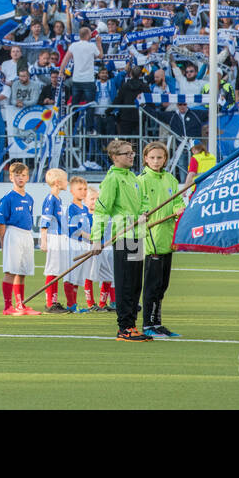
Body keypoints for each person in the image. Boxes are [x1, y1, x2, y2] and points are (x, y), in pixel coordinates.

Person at [89, 139, 150, 342]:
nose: (132, 156)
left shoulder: (133, 177)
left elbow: (142, 202)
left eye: (132, 152)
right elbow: (101, 210)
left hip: (137, 235)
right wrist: (96, 239)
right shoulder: (112, 179)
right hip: (123, 236)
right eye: (126, 153)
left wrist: (144, 213)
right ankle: (124, 327)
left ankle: (132, 324)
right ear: (115, 157)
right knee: (125, 284)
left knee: (135, 284)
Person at [139, 141, 182, 339]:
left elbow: (177, 202)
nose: (156, 161)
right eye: (152, 158)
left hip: (167, 237)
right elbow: (139, 205)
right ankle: (148, 323)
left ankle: (157, 322)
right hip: (151, 238)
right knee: (152, 285)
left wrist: (178, 210)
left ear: (165, 159)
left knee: (163, 286)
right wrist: (143, 214)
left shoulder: (171, 179)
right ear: (145, 159)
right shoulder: (141, 181)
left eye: (160, 157)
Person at [0, 163, 39, 316]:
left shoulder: (29, 198)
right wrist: (3, 241)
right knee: (11, 270)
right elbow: (1, 222)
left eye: (23, 175)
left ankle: (20, 305)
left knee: (22, 271)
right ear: (11, 177)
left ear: (27, 177)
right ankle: (8, 306)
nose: (20, 178)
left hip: (27, 234)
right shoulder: (7, 198)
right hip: (13, 234)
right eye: (17, 175)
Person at [38, 169, 70, 313]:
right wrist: (43, 240)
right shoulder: (50, 199)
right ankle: (50, 302)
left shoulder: (58, 199)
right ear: (58, 182)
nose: (67, 182)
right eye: (65, 180)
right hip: (53, 237)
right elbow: (45, 220)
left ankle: (54, 301)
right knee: (52, 269)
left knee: (57, 270)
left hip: (60, 237)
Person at [64, 176, 93, 312]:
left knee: (79, 276)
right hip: (74, 244)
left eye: (85, 189)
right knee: (71, 275)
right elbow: (74, 229)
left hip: (84, 245)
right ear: (72, 191)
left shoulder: (85, 209)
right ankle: (71, 304)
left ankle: (74, 303)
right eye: (79, 189)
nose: (83, 191)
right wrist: (89, 236)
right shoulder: (71, 208)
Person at [84, 185, 113, 311]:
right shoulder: (84, 216)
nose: (95, 201)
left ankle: (102, 303)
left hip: (104, 249)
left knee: (107, 275)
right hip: (91, 249)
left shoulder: (103, 216)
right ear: (85, 200)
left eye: (97, 199)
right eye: (91, 198)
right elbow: (79, 232)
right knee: (89, 275)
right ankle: (90, 304)